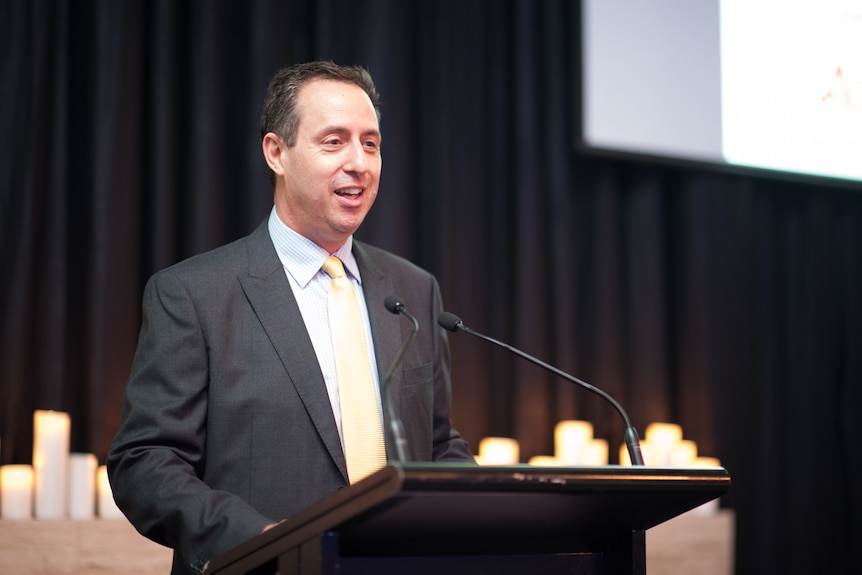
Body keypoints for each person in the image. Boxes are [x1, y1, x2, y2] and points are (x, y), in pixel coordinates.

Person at [107, 61, 475, 575]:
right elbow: (144, 462)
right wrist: (260, 541)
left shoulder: (414, 290)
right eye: (334, 142)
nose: (360, 163)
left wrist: (483, 506)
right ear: (276, 152)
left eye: (370, 144)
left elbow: (437, 446)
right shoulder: (194, 294)